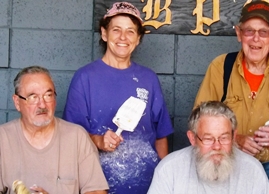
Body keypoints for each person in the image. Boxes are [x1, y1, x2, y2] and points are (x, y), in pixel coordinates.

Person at [194, 1, 269, 193]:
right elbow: (199, 120)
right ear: (238, 33)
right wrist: (235, 139)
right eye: (249, 31)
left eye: (264, 32)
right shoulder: (220, 67)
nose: (256, 39)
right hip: (230, 165)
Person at [62, 2, 173, 194]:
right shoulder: (85, 78)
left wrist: (164, 182)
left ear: (138, 38)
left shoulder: (149, 79)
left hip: (147, 187)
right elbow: (71, 137)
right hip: (98, 187)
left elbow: (160, 135)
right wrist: (98, 141)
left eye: (130, 31)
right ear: (104, 34)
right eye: (116, 30)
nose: (123, 37)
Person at [0, 66, 109, 194]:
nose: (42, 104)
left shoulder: (77, 137)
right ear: (17, 102)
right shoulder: (3, 138)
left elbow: (97, 191)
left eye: (48, 95)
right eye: (33, 97)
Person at [148, 101, 269, 194]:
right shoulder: (169, 168)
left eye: (224, 138)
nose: (217, 146)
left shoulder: (253, 170)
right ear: (192, 138)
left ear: (234, 137)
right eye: (208, 139)